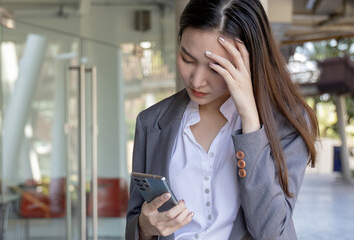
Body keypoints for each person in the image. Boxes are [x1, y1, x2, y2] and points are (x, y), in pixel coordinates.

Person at [126, 0, 319, 239]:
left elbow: (272, 232)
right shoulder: (151, 122)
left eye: (216, 68)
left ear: (249, 61)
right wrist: (145, 227)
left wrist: (250, 120)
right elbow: (135, 221)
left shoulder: (287, 125)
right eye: (187, 59)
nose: (196, 81)